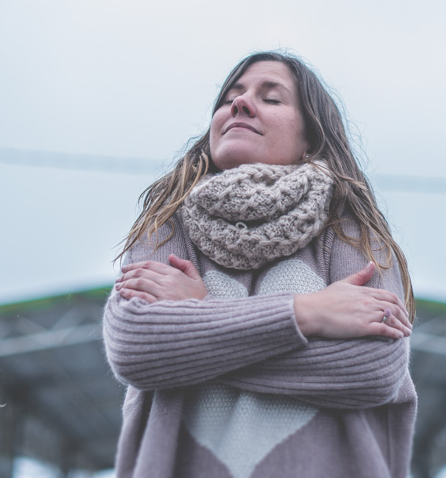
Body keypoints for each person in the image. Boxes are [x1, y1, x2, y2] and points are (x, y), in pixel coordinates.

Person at [103, 51, 417, 478]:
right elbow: (136, 346)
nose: (241, 103)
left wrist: (199, 317)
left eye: (271, 98)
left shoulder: (352, 234)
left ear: (311, 138)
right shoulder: (166, 225)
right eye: (232, 95)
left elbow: (373, 369)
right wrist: (309, 313)